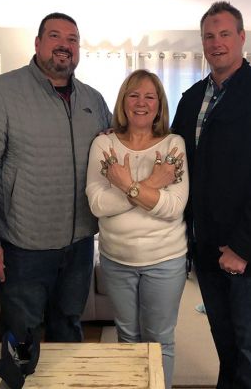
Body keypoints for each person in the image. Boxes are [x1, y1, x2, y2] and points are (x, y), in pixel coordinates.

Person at [172, 1, 251, 389]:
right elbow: (169, 154)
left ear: (241, 38)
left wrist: (241, 248)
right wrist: (119, 135)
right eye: (209, 36)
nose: (216, 42)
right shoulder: (191, 99)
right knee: (227, 350)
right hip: (207, 253)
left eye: (225, 34)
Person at [0, 13, 112, 344]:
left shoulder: (93, 99)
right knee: (21, 338)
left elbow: (118, 150)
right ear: (38, 43)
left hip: (80, 245)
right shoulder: (1, 93)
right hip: (23, 248)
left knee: (69, 331)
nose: (64, 45)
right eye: (55, 36)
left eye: (72, 39)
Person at [86, 69, 189, 388]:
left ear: (159, 104)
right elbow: (98, 205)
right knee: (127, 337)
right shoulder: (104, 144)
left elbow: (173, 208)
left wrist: (125, 184)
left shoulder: (174, 145)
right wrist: (150, 186)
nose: (141, 102)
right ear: (123, 102)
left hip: (165, 261)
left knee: (160, 340)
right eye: (133, 95)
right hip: (117, 261)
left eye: (149, 96)